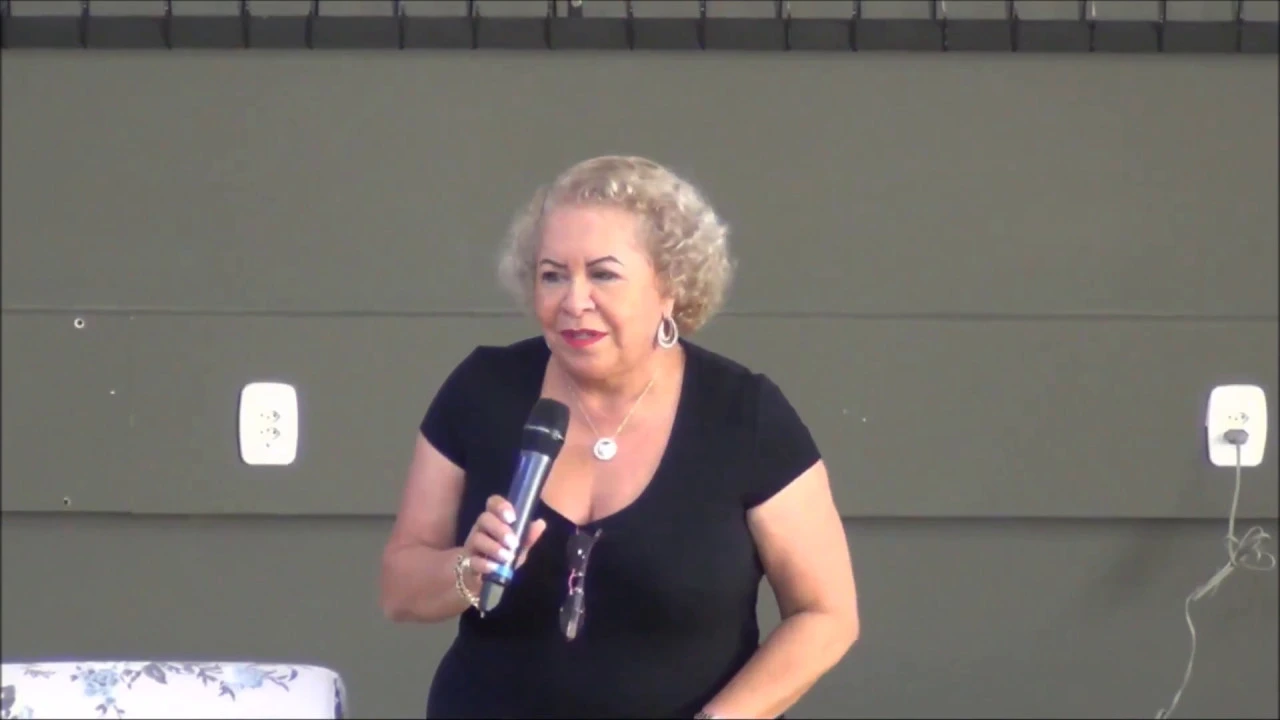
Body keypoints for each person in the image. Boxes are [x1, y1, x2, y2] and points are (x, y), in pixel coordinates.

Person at [379, 155, 860, 719]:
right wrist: (467, 568)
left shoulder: (743, 415)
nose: (574, 301)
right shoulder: (483, 390)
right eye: (553, 275)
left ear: (670, 286)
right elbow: (400, 589)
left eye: (603, 274)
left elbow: (826, 615)